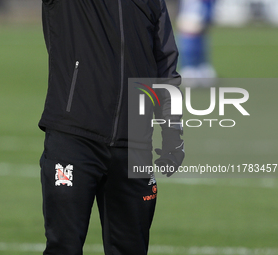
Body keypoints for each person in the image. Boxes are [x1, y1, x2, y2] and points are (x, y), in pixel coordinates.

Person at [39, 0, 185, 254]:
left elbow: (165, 67)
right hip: (74, 138)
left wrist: (172, 134)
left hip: (135, 144)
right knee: (64, 247)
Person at [177, 0, 217, 87]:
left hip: (196, 17)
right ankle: (190, 69)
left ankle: (199, 70)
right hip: (189, 17)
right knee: (190, 45)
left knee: (197, 45)